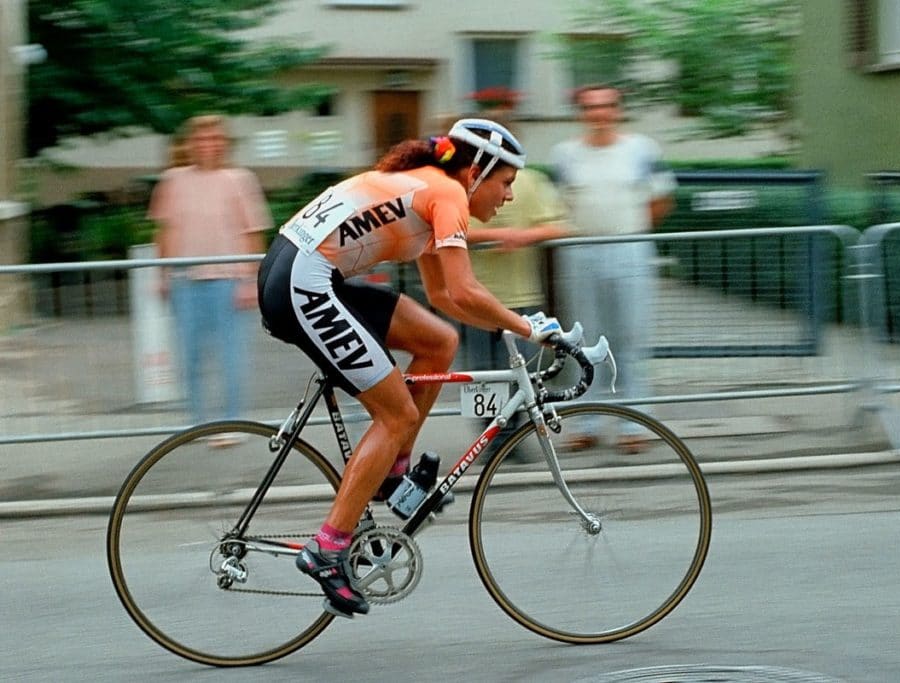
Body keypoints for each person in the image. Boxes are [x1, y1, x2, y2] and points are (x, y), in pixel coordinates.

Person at [257, 118, 564, 617]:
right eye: (506, 183)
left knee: (438, 340)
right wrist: (530, 329)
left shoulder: (426, 189)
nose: (508, 197)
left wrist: (510, 323)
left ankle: (392, 473)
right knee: (394, 413)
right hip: (303, 283)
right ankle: (329, 547)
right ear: (478, 171)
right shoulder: (447, 195)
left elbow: (445, 297)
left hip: (304, 272)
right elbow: (464, 291)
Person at [550, 84, 677, 453]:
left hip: (630, 248)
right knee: (584, 337)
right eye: (590, 107)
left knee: (631, 336)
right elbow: (561, 204)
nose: (599, 114)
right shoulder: (565, 155)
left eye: (606, 106)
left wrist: (630, 231)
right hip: (581, 250)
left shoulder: (642, 149)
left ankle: (632, 424)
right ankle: (587, 422)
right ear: (581, 113)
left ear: (618, 110)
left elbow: (661, 199)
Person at [148, 115, 270, 439]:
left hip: (228, 281)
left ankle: (233, 425)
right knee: (188, 358)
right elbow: (165, 230)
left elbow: (253, 232)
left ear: (224, 143)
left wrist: (249, 281)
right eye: (200, 139)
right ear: (189, 144)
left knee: (232, 358)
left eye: (214, 138)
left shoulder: (240, 179)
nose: (207, 145)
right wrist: (162, 274)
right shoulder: (172, 180)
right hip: (185, 281)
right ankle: (195, 423)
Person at [458, 118, 569, 447]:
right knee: (482, 374)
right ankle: (490, 439)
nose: (507, 191)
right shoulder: (464, 185)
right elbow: (447, 231)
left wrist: (524, 236)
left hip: (520, 294)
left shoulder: (532, 183)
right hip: (475, 298)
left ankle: (512, 436)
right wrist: (494, 235)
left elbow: (560, 225)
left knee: (522, 371)